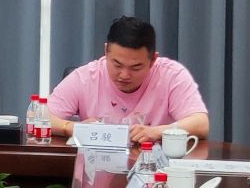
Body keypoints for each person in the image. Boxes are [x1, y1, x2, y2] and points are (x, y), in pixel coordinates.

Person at [41, 16, 209, 144]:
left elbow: (201, 124)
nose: (124, 75)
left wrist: (157, 132)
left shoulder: (172, 75)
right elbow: (39, 118)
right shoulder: (85, 77)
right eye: (117, 64)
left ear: (153, 60)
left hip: (153, 170)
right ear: (106, 51)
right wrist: (73, 128)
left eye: (135, 67)